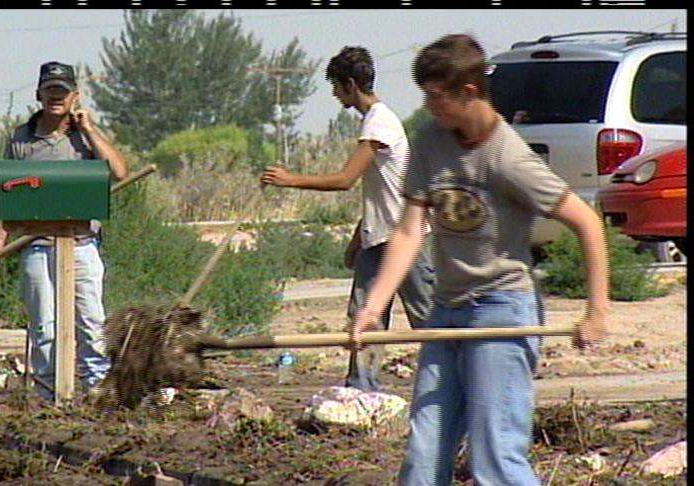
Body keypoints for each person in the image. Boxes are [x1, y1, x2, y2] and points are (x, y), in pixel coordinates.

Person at [348, 34, 609, 485]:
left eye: (435, 97)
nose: (430, 108)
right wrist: (372, 308)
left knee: (496, 459)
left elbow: (587, 223)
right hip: (446, 310)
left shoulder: (509, 159)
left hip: (502, 311)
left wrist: (596, 312)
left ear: (468, 93)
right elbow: (410, 231)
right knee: (424, 456)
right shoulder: (430, 141)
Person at [261, 46, 435, 392]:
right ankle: (360, 390)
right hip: (379, 238)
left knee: (428, 318)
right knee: (363, 317)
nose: (334, 94)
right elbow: (380, 190)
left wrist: (289, 180)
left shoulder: (379, 122)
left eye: (336, 87)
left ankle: (460, 382)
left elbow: (345, 180)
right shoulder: (373, 122)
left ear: (351, 85)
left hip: (405, 238)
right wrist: (359, 238)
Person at [0, 61, 128, 401]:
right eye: (50, 91)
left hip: (82, 244)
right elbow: (9, 197)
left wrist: (89, 128)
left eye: (62, 92)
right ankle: (49, 399)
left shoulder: (86, 138)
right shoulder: (20, 139)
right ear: (39, 94)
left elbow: (119, 171)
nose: (55, 98)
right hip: (37, 246)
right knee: (44, 327)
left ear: (74, 96)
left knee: (91, 325)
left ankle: (98, 394)